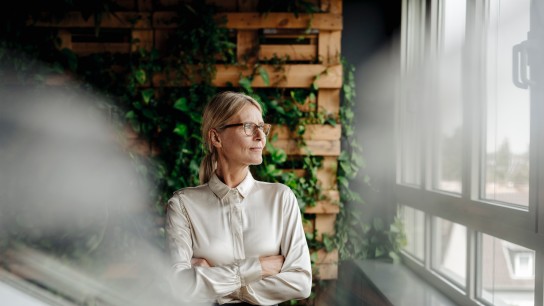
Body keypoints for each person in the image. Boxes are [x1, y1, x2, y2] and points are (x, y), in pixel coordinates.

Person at [165, 91, 312, 306]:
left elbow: (301, 283)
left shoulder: (280, 198)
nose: (261, 136)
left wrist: (215, 284)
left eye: (262, 127)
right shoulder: (183, 205)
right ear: (216, 137)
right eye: (249, 127)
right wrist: (260, 268)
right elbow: (179, 286)